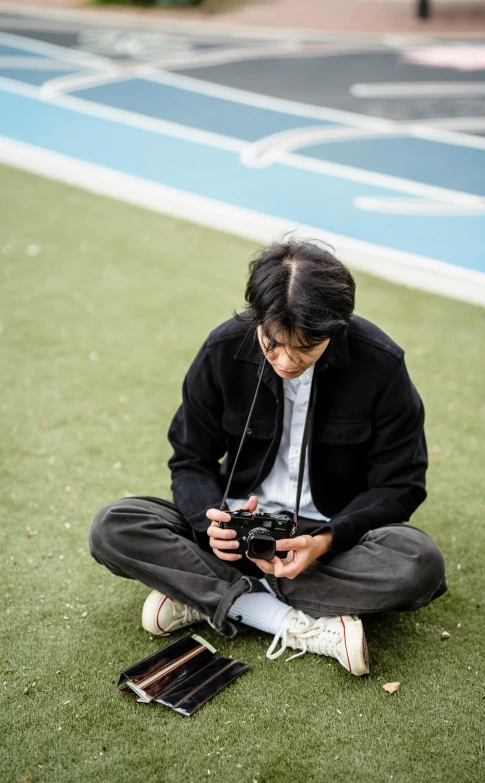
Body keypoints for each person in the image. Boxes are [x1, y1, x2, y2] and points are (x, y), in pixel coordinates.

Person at [89, 239, 447, 677]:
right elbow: (189, 460)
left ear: (337, 328)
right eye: (272, 342)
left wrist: (327, 540)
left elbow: (402, 483)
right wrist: (211, 524)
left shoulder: (381, 364)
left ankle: (213, 597)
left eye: (307, 347)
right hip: (230, 531)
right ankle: (287, 618)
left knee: (420, 561)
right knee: (114, 526)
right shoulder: (222, 349)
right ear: (257, 319)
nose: (286, 359)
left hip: (325, 542)